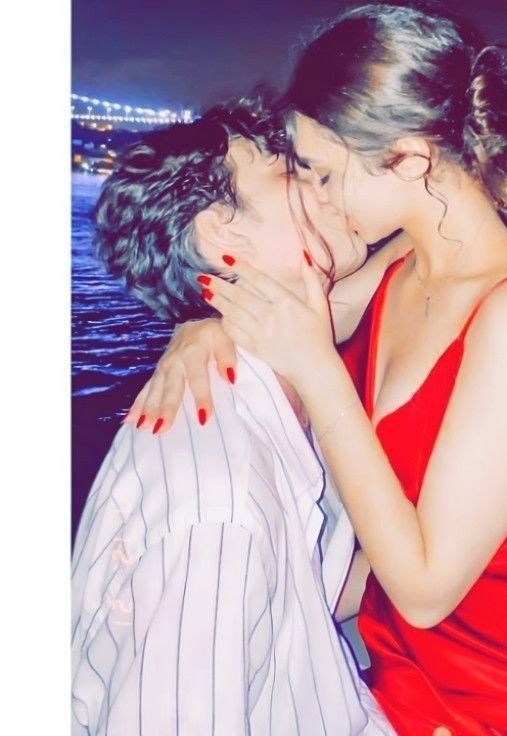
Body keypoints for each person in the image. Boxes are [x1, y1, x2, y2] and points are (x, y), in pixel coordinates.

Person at [129, 5, 507, 734]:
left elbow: (425, 589)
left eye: (323, 174)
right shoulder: (403, 261)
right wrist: (198, 326)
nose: (313, 198)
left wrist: (320, 371)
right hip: (408, 662)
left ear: (409, 159)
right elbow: (288, 318)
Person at [72, 98, 403, 735]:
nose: (326, 182)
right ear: (221, 232)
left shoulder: (279, 378)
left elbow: (302, 591)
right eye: (288, 170)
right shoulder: (218, 506)